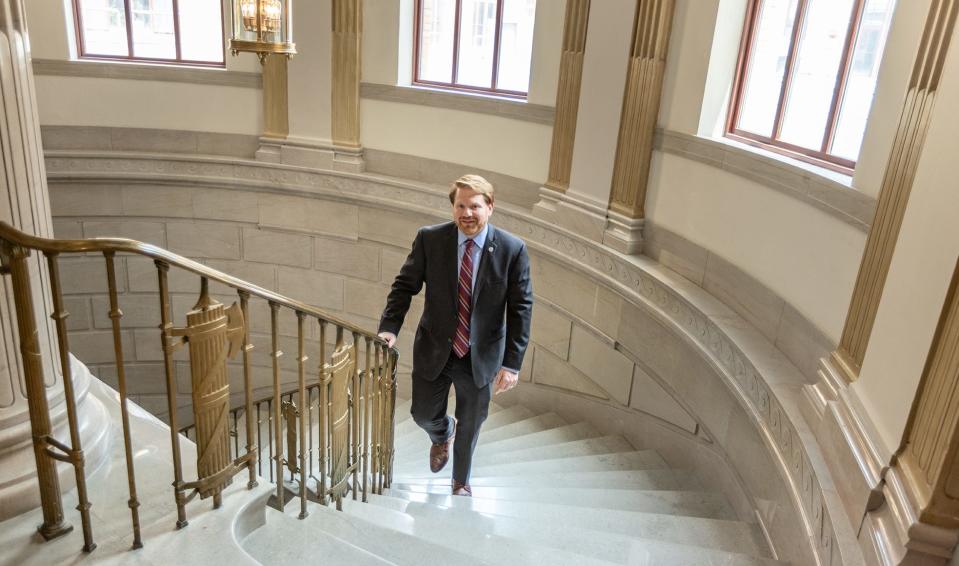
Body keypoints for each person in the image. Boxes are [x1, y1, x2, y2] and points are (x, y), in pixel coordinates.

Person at [377, 174, 533, 496]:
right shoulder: (430, 239)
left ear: (489, 207)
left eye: (475, 206)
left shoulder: (512, 250)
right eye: (460, 205)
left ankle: (460, 480)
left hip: (480, 354)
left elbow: (521, 309)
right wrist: (389, 328)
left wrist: (512, 364)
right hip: (435, 347)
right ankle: (441, 433)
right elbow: (404, 286)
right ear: (453, 208)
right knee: (421, 414)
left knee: (471, 423)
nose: (467, 213)